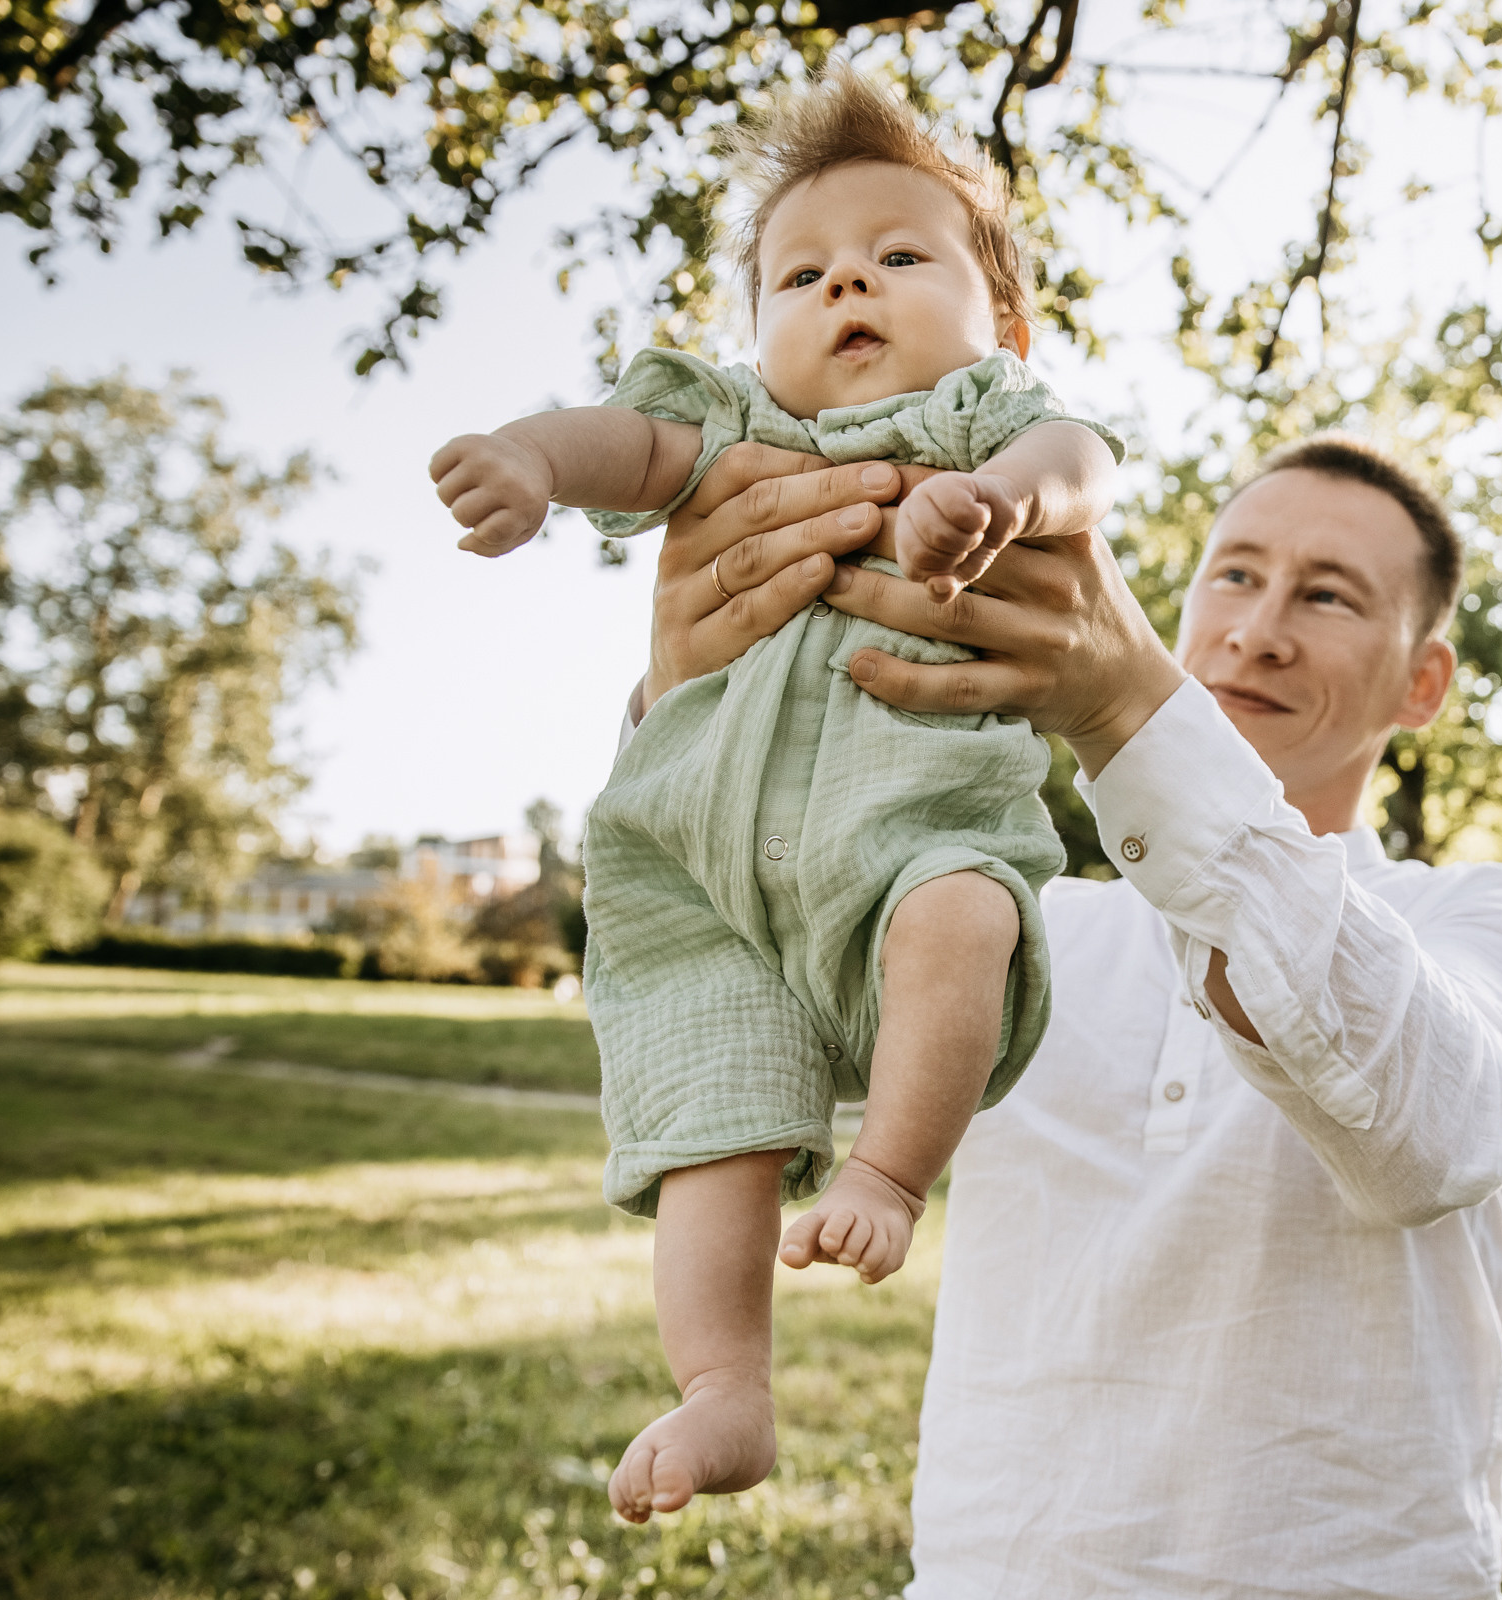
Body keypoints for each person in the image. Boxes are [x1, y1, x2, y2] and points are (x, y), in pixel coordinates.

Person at [631, 429, 1502, 1597]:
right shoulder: (1011, 926)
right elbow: (741, 1035)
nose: (1257, 629)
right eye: (1233, 573)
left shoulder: (1487, 922)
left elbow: (1432, 1140)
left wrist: (1134, 706)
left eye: (1327, 596)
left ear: (1421, 681)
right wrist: (689, 724)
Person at [425, 69, 1121, 1524]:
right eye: (801, 274)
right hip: (694, 862)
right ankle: (722, 1386)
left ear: (1006, 324)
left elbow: (1079, 462)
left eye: (899, 255)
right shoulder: (728, 428)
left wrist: (1007, 502)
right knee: (710, 1131)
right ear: (755, 328)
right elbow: (621, 442)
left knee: (960, 912)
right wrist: (531, 464)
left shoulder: (984, 426)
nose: (846, 281)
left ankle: (888, 1171)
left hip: (908, 824)